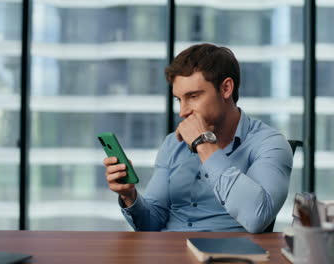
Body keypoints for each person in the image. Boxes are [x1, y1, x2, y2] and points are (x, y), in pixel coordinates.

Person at [103, 43, 293, 233]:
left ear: (226, 88)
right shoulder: (173, 143)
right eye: (179, 100)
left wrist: (204, 144)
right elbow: (151, 224)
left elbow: (257, 218)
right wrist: (129, 195)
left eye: (193, 96)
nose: (183, 112)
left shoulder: (270, 144)